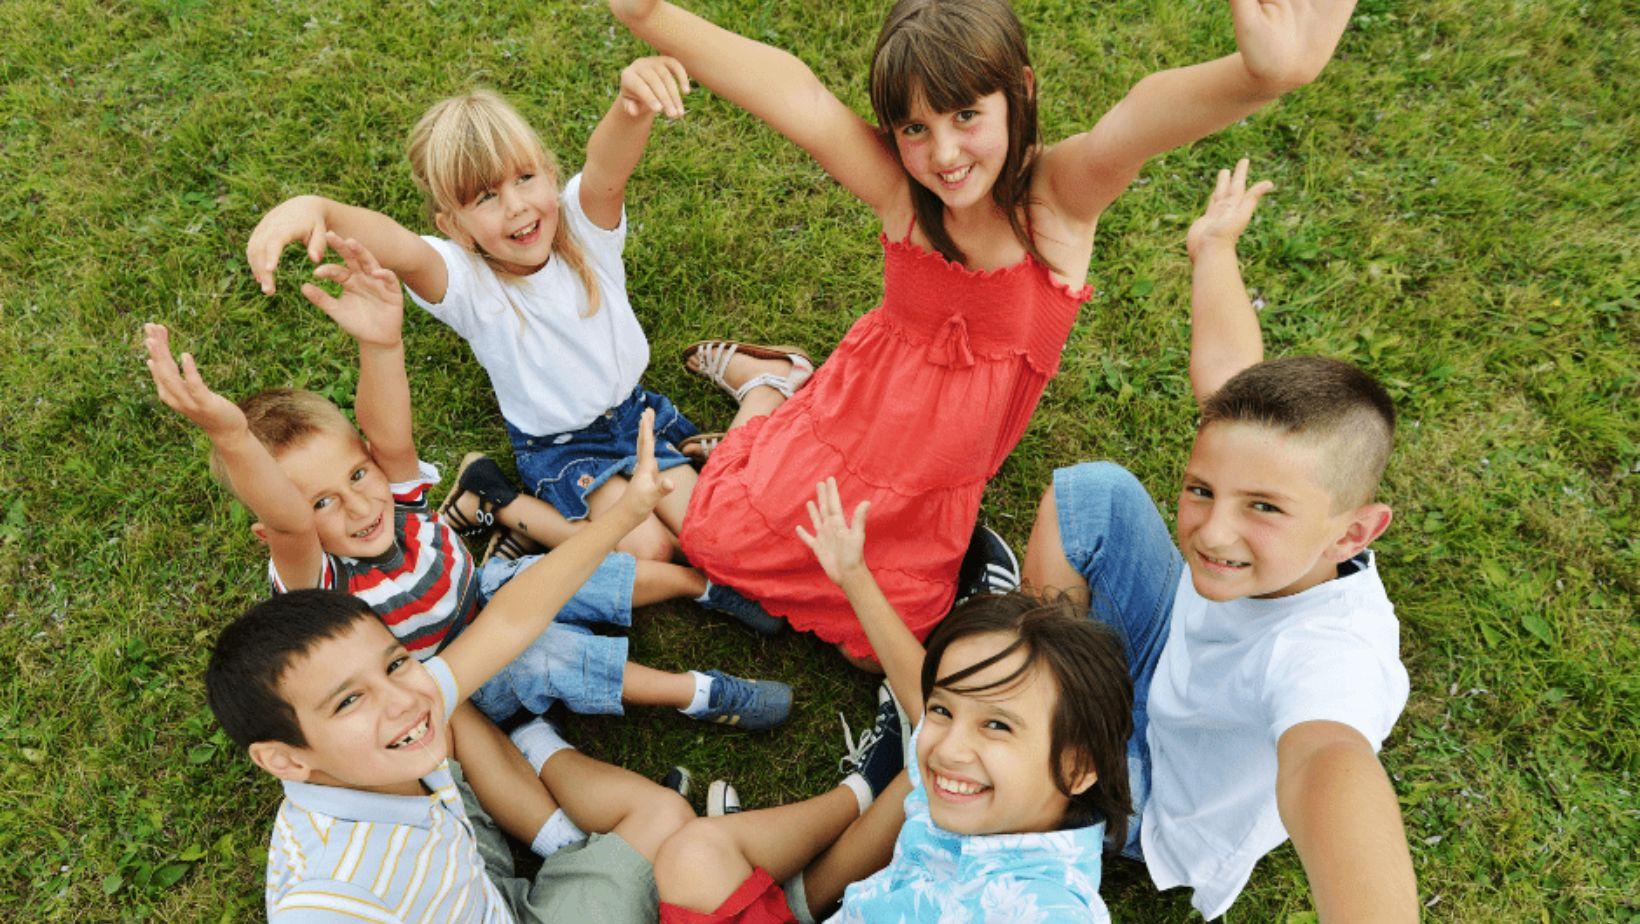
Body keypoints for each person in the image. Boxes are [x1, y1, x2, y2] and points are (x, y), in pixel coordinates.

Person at [609, 0, 1362, 668]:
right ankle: (769, 387)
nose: (943, 153)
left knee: (883, 652)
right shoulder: (904, 194)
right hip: (855, 417)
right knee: (713, 538)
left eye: (967, 115)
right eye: (915, 128)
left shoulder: (1056, 209)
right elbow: (797, 94)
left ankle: (771, 383)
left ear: (1021, 94)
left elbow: (1135, 120)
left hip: (936, 481)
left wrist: (1259, 78)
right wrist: (650, 15)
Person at [143, 234, 790, 730]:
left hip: (484, 589)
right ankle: (699, 694)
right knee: (551, 654)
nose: (358, 502)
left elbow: (390, 438)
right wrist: (230, 436)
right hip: (463, 672)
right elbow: (287, 517)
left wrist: (383, 344)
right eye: (321, 502)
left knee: (578, 570)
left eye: (357, 473)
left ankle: (699, 587)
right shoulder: (318, 582)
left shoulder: (390, 493)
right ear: (280, 526)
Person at [244, 62, 808, 609]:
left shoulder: (585, 229)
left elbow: (608, 167)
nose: (516, 207)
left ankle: (764, 384)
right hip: (563, 449)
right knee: (651, 549)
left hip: (636, 416)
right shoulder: (466, 282)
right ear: (453, 225)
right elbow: (400, 247)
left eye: (525, 178)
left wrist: (631, 108)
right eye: (484, 197)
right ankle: (501, 499)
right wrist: (314, 207)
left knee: (710, 531)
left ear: (549, 174)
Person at [1019, 161, 1419, 920]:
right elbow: (1228, 375)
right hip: (1169, 661)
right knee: (1094, 494)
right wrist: (1213, 250)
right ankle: (1046, 677)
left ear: (1356, 532)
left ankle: (1048, 739)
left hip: (1154, 789)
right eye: (1202, 490)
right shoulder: (1264, 507)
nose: (1212, 530)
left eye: (1263, 509)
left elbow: (1329, 764)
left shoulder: (1330, 659)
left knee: (1000, 734)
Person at [205, 419, 694, 921]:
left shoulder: (392, 720)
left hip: (471, 860)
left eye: (396, 663)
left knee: (446, 705)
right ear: (285, 761)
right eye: (349, 701)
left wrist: (626, 514)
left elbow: (511, 619)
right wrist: (231, 439)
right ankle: (557, 780)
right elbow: (290, 526)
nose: (401, 699)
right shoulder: (330, 898)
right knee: (673, 827)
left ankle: (562, 827)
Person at [647, 480, 1134, 923]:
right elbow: (924, 701)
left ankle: (861, 795)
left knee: (696, 856)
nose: (946, 747)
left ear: (1076, 766)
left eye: (998, 726)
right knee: (693, 855)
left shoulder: (1045, 913)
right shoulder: (989, 788)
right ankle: (851, 816)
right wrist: (854, 578)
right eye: (946, 710)